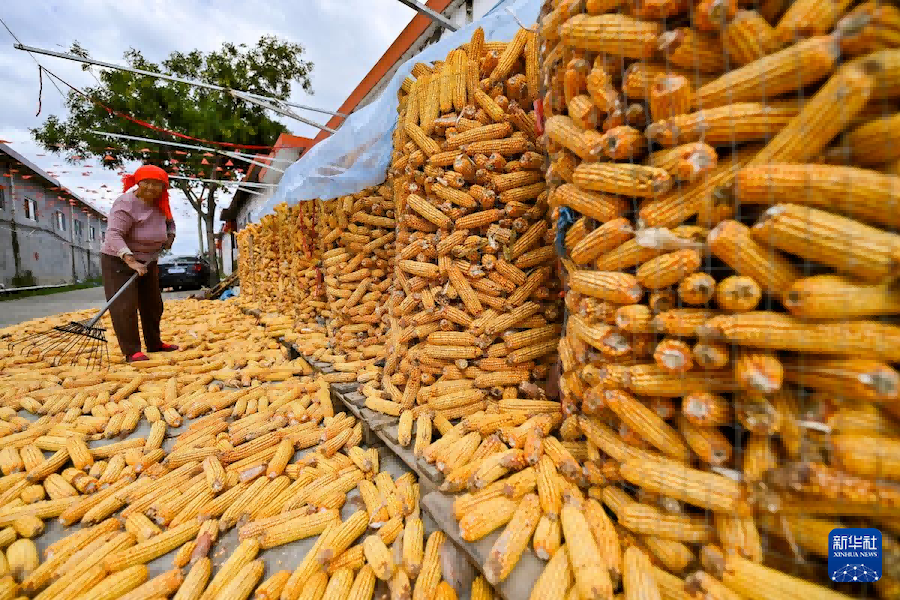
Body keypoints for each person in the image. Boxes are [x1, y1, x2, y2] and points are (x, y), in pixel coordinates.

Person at [100, 164, 180, 362]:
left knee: (153, 304)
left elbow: (169, 222)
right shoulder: (125, 204)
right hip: (118, 260)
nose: (152, 188)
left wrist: (170, 235)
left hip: (149, 259)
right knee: (124, 306)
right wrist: (130, 260)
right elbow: (114, 234)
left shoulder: (161, 202)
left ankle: (154, 342)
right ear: (138, 182)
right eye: (148, 183)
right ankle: (132, 350)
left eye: (158, 184)